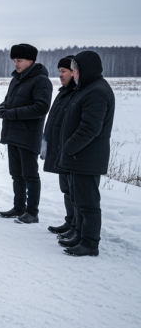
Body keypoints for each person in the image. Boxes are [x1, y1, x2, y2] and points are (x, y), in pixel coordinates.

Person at [56, 51, 114, 257]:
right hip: (79, 157)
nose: (74, 74)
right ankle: (80, 236)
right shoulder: (87, 88)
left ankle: (90, 244)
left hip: (86, 157)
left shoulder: (97, 91)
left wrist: (69, 147)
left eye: (75, 70)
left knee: (88, 203)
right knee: (79, 200)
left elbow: (90, 128)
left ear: (85, 70)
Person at [0, 44, 53, 224]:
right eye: (14, 60)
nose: (16, 64)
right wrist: (2, 109)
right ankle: (19, 207)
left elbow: (41, 107)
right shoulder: (17, 79)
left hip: (28, 135)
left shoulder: (41, 81)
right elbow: (8, 101)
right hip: (13, 133)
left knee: (30, 175)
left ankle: (32, 212)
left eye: (19, 60)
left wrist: (11, 114)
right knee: (16, 174)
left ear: (30, 61)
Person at [42, 55, 77, 235]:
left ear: (74, 72)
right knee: (66, 189)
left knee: (74, 191)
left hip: (72, 150)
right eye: (59, 71)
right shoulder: (64, 91)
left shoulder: (77, 92)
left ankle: (76, 226)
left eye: (63, 71)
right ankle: (70, 222)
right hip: (61, 149)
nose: (60, 75)